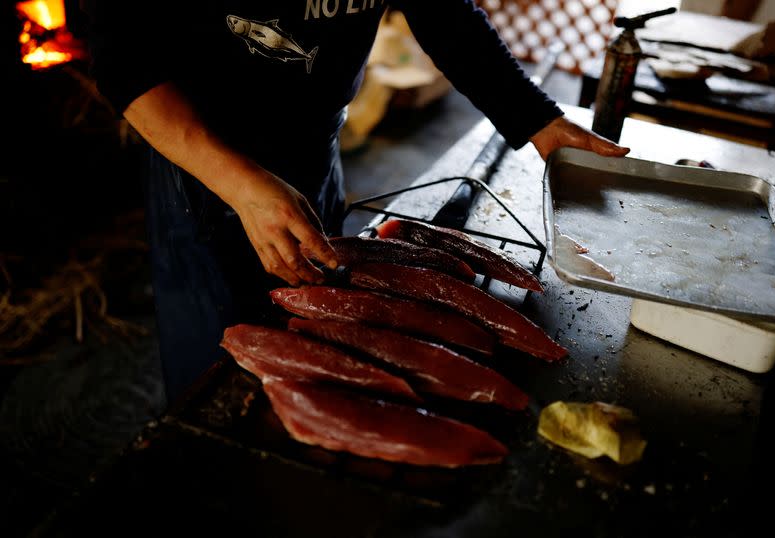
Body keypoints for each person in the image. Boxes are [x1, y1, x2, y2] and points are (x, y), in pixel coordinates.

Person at [81, 0, 629, 402]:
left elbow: (444, 12)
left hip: (316, 146)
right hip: (207, 168)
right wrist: (242, 186)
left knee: (333, 349)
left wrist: (536, 120)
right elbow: (123, 60)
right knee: (222, 376)